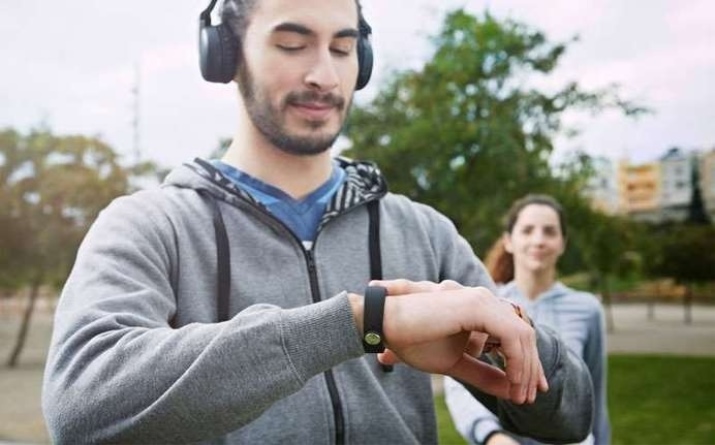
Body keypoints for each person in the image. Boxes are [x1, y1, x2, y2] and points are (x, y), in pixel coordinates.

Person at [41, 1, 594, 443]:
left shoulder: (423, 231)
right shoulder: (149, 225)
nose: (324, 75)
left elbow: (571, 418)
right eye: (292, 43)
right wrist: (360, 323)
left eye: (343, 48)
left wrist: (507, 351)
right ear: (225, 54)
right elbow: (80, 407)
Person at [445, 194, 611, 445]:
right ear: (508, 241)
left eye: (549, 231)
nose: (539, 240)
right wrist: (491, 435)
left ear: (562, 243)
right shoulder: (485, 304)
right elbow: (461, 381)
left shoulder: (587, 309)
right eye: (527, 230)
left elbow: (593, 394)